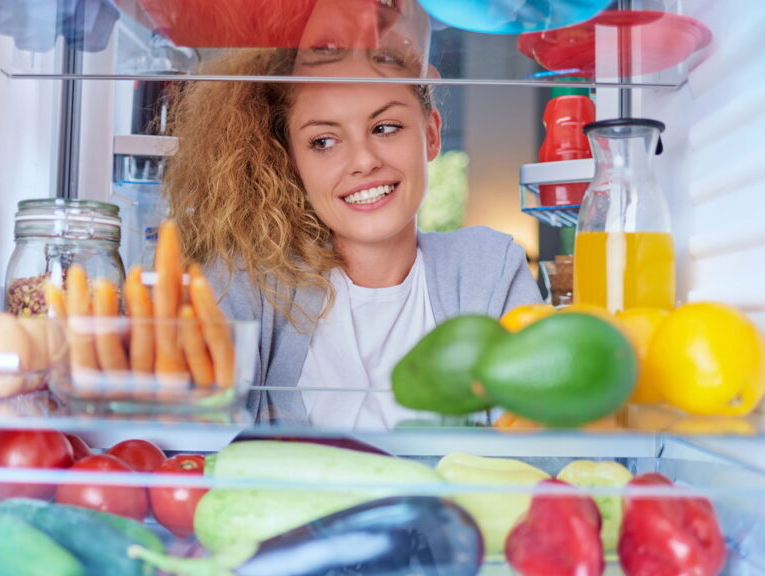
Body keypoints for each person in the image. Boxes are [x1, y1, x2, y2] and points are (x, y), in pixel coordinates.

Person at [164, 5, 541, 426]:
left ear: (431, 134)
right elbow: (195, 446)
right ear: (290, 160)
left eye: (385, 128)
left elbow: (539, 446)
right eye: (323, 141)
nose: (363, 162)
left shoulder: (489, 268)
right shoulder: (245, 282)